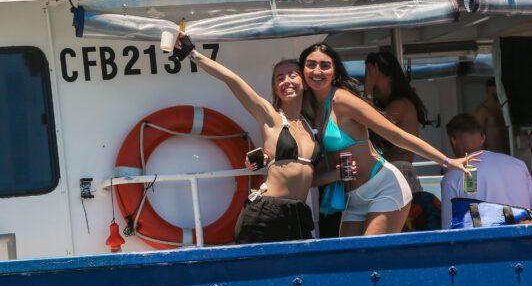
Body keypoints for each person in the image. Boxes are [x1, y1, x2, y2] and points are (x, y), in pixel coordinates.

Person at [173, 34, 343, 244]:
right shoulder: (270, 117)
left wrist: (337, 174)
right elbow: (232, 80)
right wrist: (193, 54)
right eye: (280, 78)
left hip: (298, 215)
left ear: (305, 83)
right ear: (275, 88)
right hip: (266, 213)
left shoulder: (312, 126)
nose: (286, 81)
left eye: (292, 75)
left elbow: (308, 179)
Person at [299, 43, 479, 237]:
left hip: (383, 188)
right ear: (303, 70)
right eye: (311, 64)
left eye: (325, 65)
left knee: (370, 256)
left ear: (335, 73)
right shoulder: (309, 110)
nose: (317, 70)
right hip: (353, 198)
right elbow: (310, 175)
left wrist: (447, 161)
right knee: (351, 261)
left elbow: (397, 135)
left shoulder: (342, 100)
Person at [364, 51, 441, 230]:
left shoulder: (402, 104)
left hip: (399, 175)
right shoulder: (389, 106)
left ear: (389, 77)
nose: (371, 81)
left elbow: (372, 125)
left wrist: (367, 90)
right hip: (389, 175)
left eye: (374, 76)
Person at [441, 113, 532, 229]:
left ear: (453, 140)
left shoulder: (452, 176)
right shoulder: (517, 165)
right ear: (483, 137)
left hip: (480, 245)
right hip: (520, 243)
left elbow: (449, 231)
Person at [474, 77, 509, 154]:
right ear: (490, 88)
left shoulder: (501, 110)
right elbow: (475, 136)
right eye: (498, 88)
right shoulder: (482, 111)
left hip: (505, 156)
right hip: (491, 156)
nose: (500, 91)